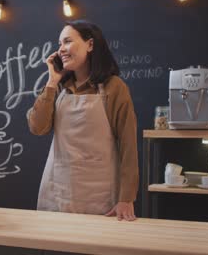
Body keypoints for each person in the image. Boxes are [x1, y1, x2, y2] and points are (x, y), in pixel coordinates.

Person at [27, 20, 138, 221]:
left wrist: (127, 197)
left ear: (90, 44)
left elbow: (128, 145)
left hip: (99, 195)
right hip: (58, 191)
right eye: (59, 44)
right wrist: (52, 81)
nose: (61, 49)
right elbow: (37, 127)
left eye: (67, 41)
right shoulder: (59, 88)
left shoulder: (114, 87)